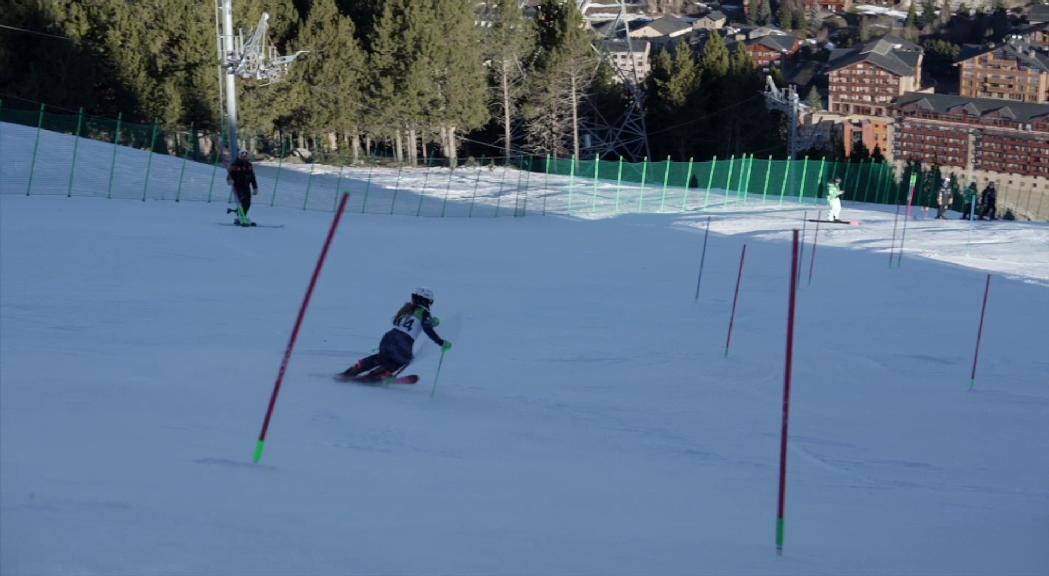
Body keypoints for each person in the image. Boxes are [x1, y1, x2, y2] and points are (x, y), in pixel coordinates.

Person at [338, 288, 452, 382]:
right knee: (403, 360)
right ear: (426, 301)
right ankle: (379, 374)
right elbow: (427, 329)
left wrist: (431, 322)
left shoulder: (407, 309)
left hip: (388, 338)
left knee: (382, 357)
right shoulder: (425, 313)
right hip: (403, 342)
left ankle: (357, 368)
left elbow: (408, 322)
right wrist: (441, 342)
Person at [226, 150, 258, 223]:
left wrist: (255, 187)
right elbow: (230, 174)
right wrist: (229, 180)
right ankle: (240, 216)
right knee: (242, 201)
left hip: (246, 186)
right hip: (238, 186)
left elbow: (252, 177)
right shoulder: (235, 165)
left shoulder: (249, 166)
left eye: (246, 156)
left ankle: (242, 216)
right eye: (242, 156)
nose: (244, 157)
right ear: (239, 156)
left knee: (248, 202)